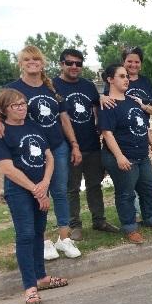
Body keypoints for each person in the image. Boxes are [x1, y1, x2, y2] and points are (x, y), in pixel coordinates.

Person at [0, 45, 81, 260]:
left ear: (43, 63)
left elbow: (64, 117)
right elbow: (2, 110)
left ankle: (64, 238)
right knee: (37, 194)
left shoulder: (51, 88)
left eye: (36, 59)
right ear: (20, 63)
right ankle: (42, 242)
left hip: (57, 147)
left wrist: (74, 144)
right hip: (29, 151)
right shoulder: (13, 88)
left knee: (60, 192)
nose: (32, 63)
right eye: (27, 60)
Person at [0, 88, 68, 304]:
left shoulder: (34, 126)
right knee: (25, 234)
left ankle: (41, 277)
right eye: (15, 105)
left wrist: (44, 185)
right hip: (20, 191)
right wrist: (36, 190)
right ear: (4, 109)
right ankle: (30, 287)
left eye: (23, 103)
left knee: (39, 233)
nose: (22, 107)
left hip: (40, 187)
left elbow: (49, 157)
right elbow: (7, 168)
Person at [99, 64, 152, 244]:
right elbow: (107, 133)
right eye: (121, 76)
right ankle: (129, 226)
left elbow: (142, 125)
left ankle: (150, 217)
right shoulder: (108, 105)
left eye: (126, 76)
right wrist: (119, 156)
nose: (126, 79)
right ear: (110, 79)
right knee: (126, 193)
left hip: (142, 155)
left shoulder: (133, 100)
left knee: (147, 186)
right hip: (124, 156)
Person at [55, 49, 120, 241]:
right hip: (67, 147)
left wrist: (102, 131)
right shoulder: (53, 86)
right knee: (72, 188)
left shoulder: (88, 85)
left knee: (94, 185)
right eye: (70, 63)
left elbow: (96, 110)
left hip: (91, 144)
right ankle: (75, 226)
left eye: (78, 63)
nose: (74, 67)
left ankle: (99, 220)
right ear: (61, 64)